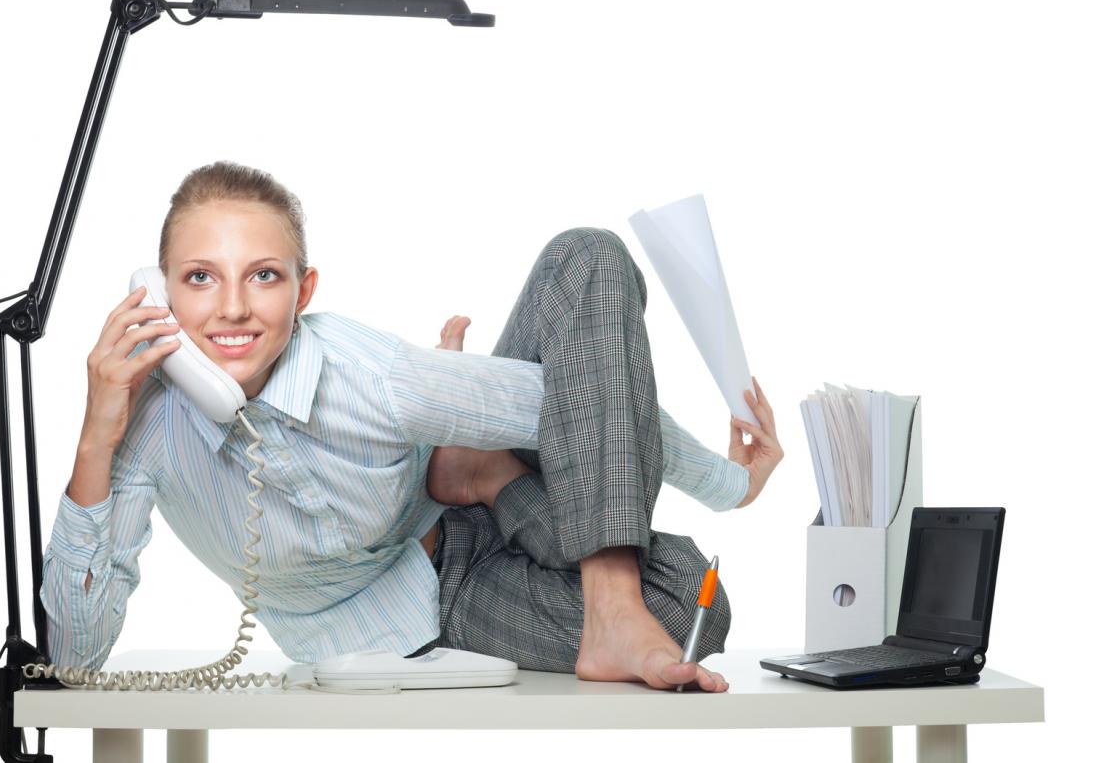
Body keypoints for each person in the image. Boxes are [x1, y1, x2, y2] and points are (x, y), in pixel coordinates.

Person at [41, 160, 783, 693]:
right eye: (200, 277)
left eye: (262, 274)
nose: (232, 307)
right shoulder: (147, 436)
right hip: (442, 600)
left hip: (472, 511)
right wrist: (97, 432)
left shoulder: (373, 375)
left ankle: (536, 529)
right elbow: (75, 659)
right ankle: (484, 475)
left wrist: (731, 483)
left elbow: (589, 393)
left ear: (304, 290)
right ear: (159, 291)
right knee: (690, 599)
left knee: (587, 255)